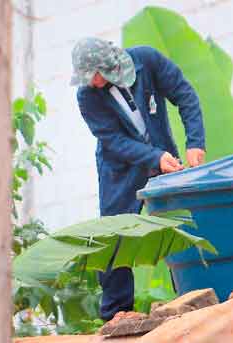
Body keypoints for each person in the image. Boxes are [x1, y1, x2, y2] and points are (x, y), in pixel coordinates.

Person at [72, 37, 206, 322]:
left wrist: (195, 142)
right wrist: (153, 158)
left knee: (182, 228)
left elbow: (185, 95)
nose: (90, 82)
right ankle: (117, 314)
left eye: (93, 75)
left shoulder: (148, 60)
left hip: (164, 158)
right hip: (119, 168)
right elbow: (113, 140)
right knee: (114, 236)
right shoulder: (87, 96)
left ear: (108, 67)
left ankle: (193, 297)